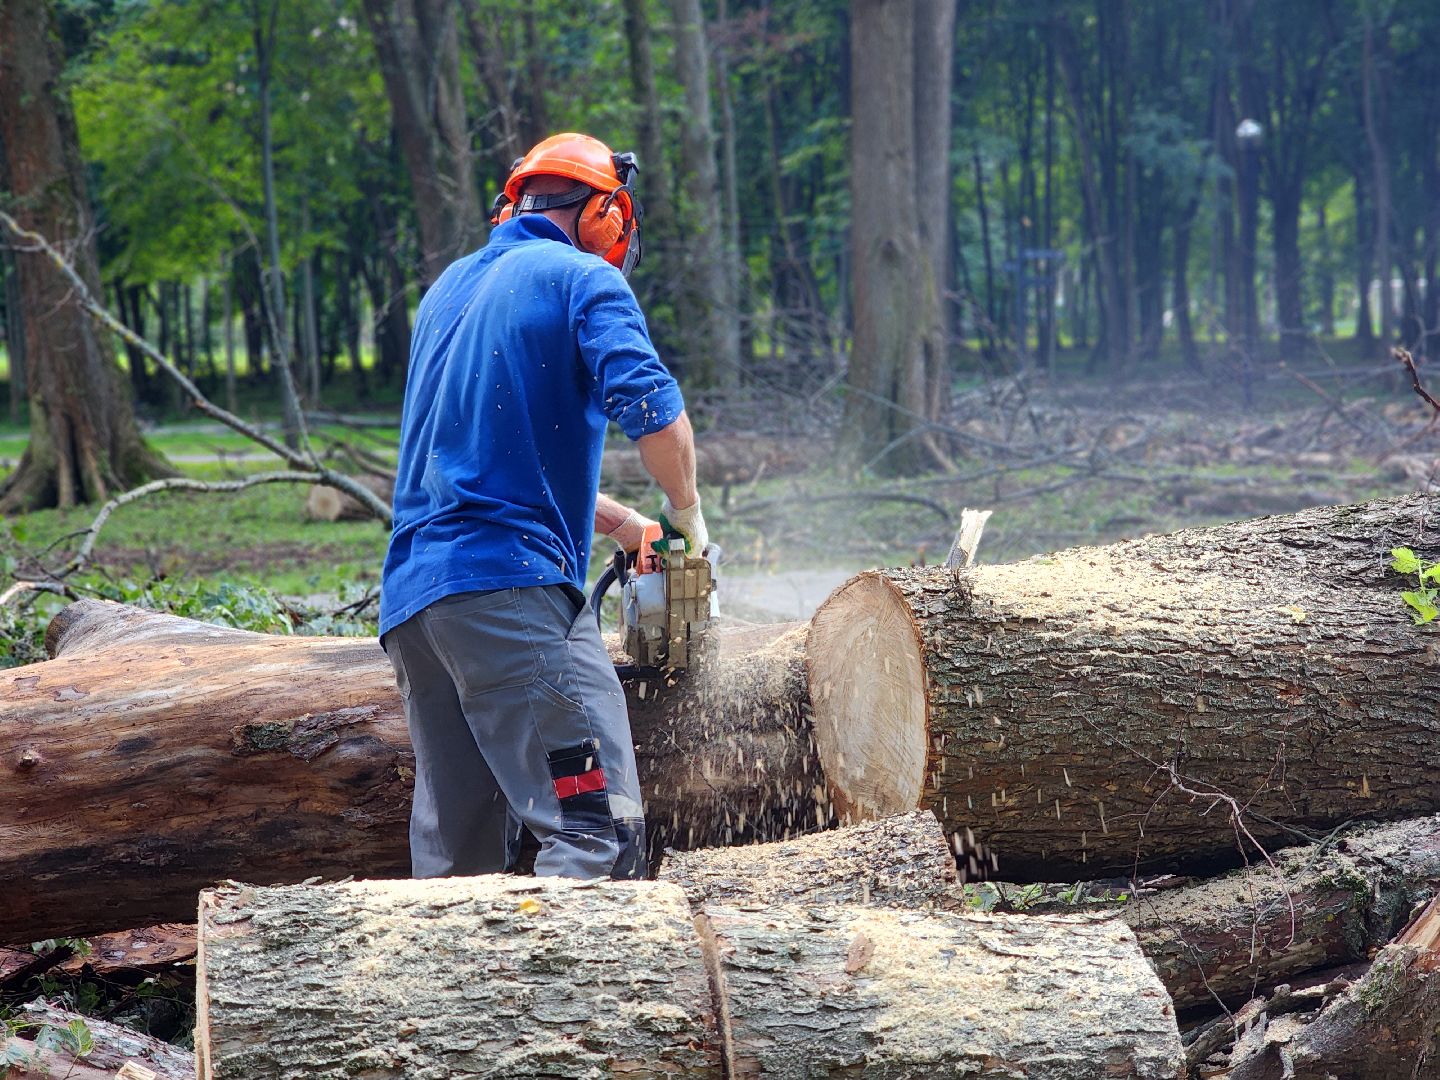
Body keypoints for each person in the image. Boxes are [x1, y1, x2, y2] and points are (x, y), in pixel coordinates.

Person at [378, 133, 708, 881]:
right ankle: (584, 1001)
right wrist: (687, 514)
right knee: (597, 832)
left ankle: (448, 999)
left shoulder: (451, 291)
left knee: (458, 875)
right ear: (605, 216)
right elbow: (656, 418)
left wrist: (625, 524)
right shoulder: (581, 279)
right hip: (509, 600)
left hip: (418, 611)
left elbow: (483, 449)